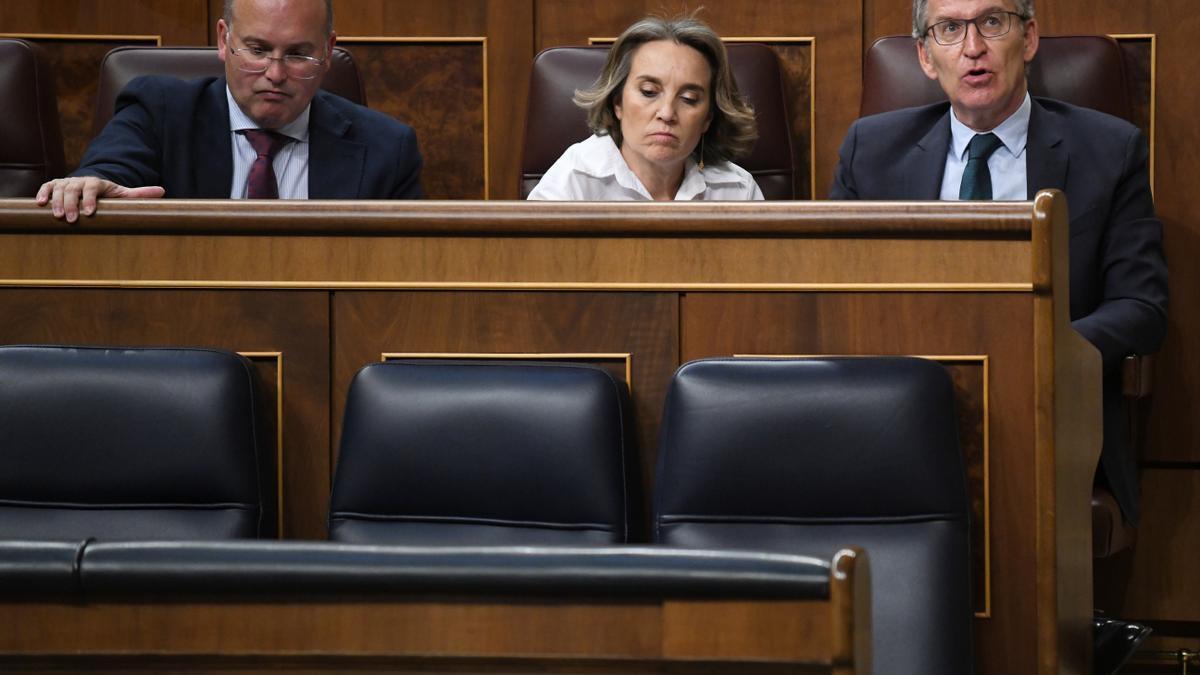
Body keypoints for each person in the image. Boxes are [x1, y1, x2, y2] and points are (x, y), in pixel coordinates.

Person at [830, 0, 1168, 528]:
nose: (973, 48)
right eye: (949, 29)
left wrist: (1041, 350)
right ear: (923, 56)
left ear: (1028, 38)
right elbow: (834, 296)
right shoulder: (871, 152)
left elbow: (1141, 306)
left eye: (992, 22)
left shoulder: (1109, 149)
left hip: (1044, 410)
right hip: (899, 412)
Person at [37, 0, 423, 222]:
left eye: (297, 54)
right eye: (257, 50)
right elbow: (112, 171)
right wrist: (92, 182)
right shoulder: (160, 112)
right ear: (224, 40)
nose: (275, 74)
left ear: (326, 51)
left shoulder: (387, 148)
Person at [528, 15, 762, 201]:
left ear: (708, 118)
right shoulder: (573, 180)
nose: (667, 113)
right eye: (649, 92)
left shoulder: (738, 191)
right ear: (617, 102)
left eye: (689, 98)